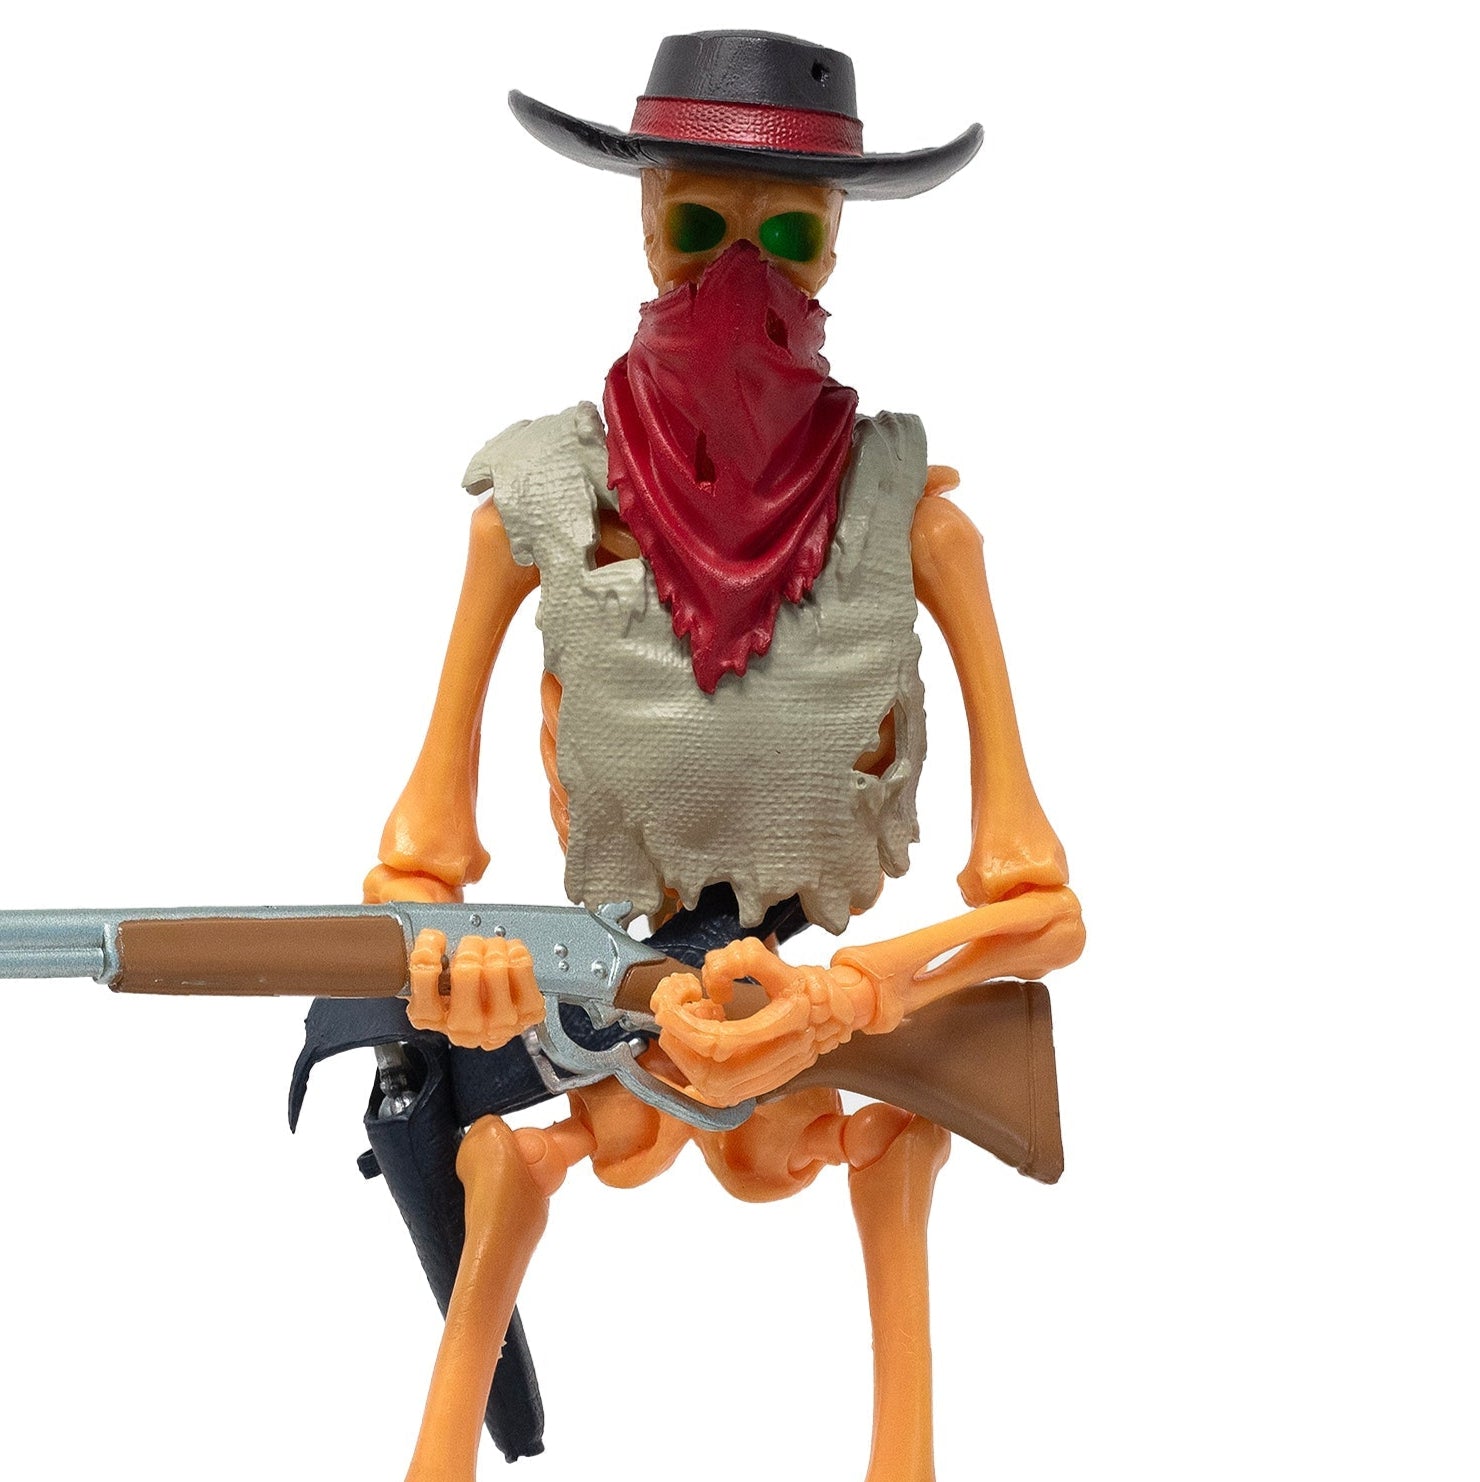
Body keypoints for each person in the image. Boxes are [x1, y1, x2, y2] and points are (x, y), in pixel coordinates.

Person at [356, 31, 1083, 1482]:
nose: (739, 282)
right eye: (699, 227)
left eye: (788, 238)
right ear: (646, 227)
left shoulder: (918, 529)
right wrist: (455, 962)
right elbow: (416, 862)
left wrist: (849, 994)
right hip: (610, 1006)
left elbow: (1043, 907)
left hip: (810, 1013)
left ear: (835, 249)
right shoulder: (535, 511)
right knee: (509, 1148)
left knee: (874, 1138)